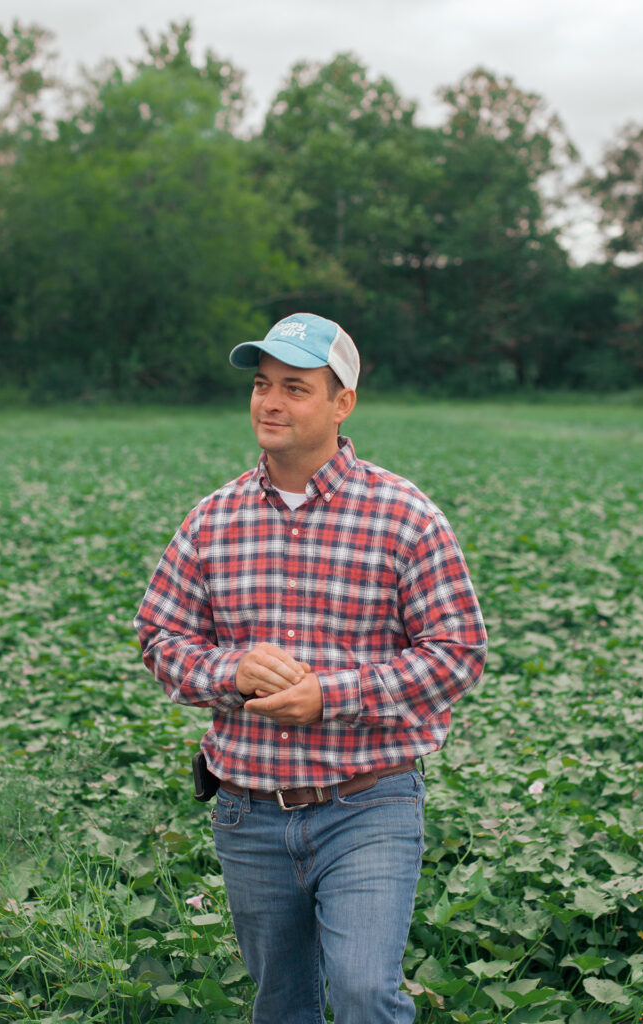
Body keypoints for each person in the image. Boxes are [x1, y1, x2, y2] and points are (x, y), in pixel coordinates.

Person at [134, 312, 487, 1024]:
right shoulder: (212, 520)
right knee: (282, 1004)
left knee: (362, 992)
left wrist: (333, 695)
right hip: (248, 808)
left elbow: (458, 654)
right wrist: (229, 673)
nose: (270, 402)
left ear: (342, 403)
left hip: (369, 802)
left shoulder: (405, 516)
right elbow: (161, 639)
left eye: (295, 387)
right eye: (263, 385)